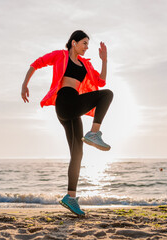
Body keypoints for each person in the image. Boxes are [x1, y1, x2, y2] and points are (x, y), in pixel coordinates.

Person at [21, 30, 113, 216]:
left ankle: (70, 198)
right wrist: (25, 84)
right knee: (107, 95)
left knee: (77, 153)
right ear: (74, 43)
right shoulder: (60, 56)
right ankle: (94, 133)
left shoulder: (85, 64)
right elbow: (36, 64)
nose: (87, 47)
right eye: (84, 43)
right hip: (64, 102)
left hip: (73, 108)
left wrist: (104, 60)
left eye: (88, 44)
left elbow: (101, 81)